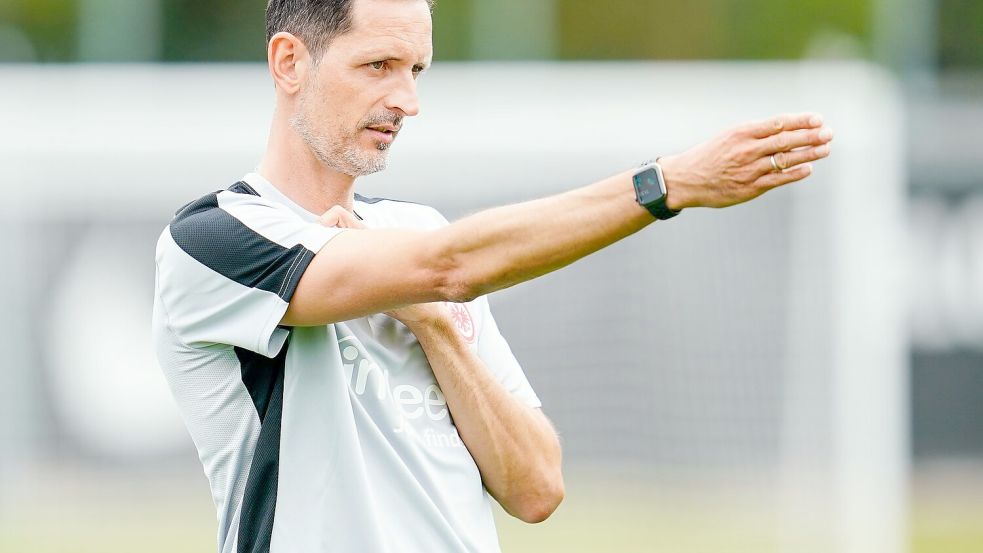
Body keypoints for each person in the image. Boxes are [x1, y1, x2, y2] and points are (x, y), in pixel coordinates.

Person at [152, 0, 833, 551]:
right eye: (379, 65)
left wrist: (433, 325)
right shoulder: (213, 241)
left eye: (417, 69)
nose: (406, 99)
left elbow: (536, 485)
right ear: (289, 61)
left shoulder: (419, 233)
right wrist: (666, 185)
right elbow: (448, 267)